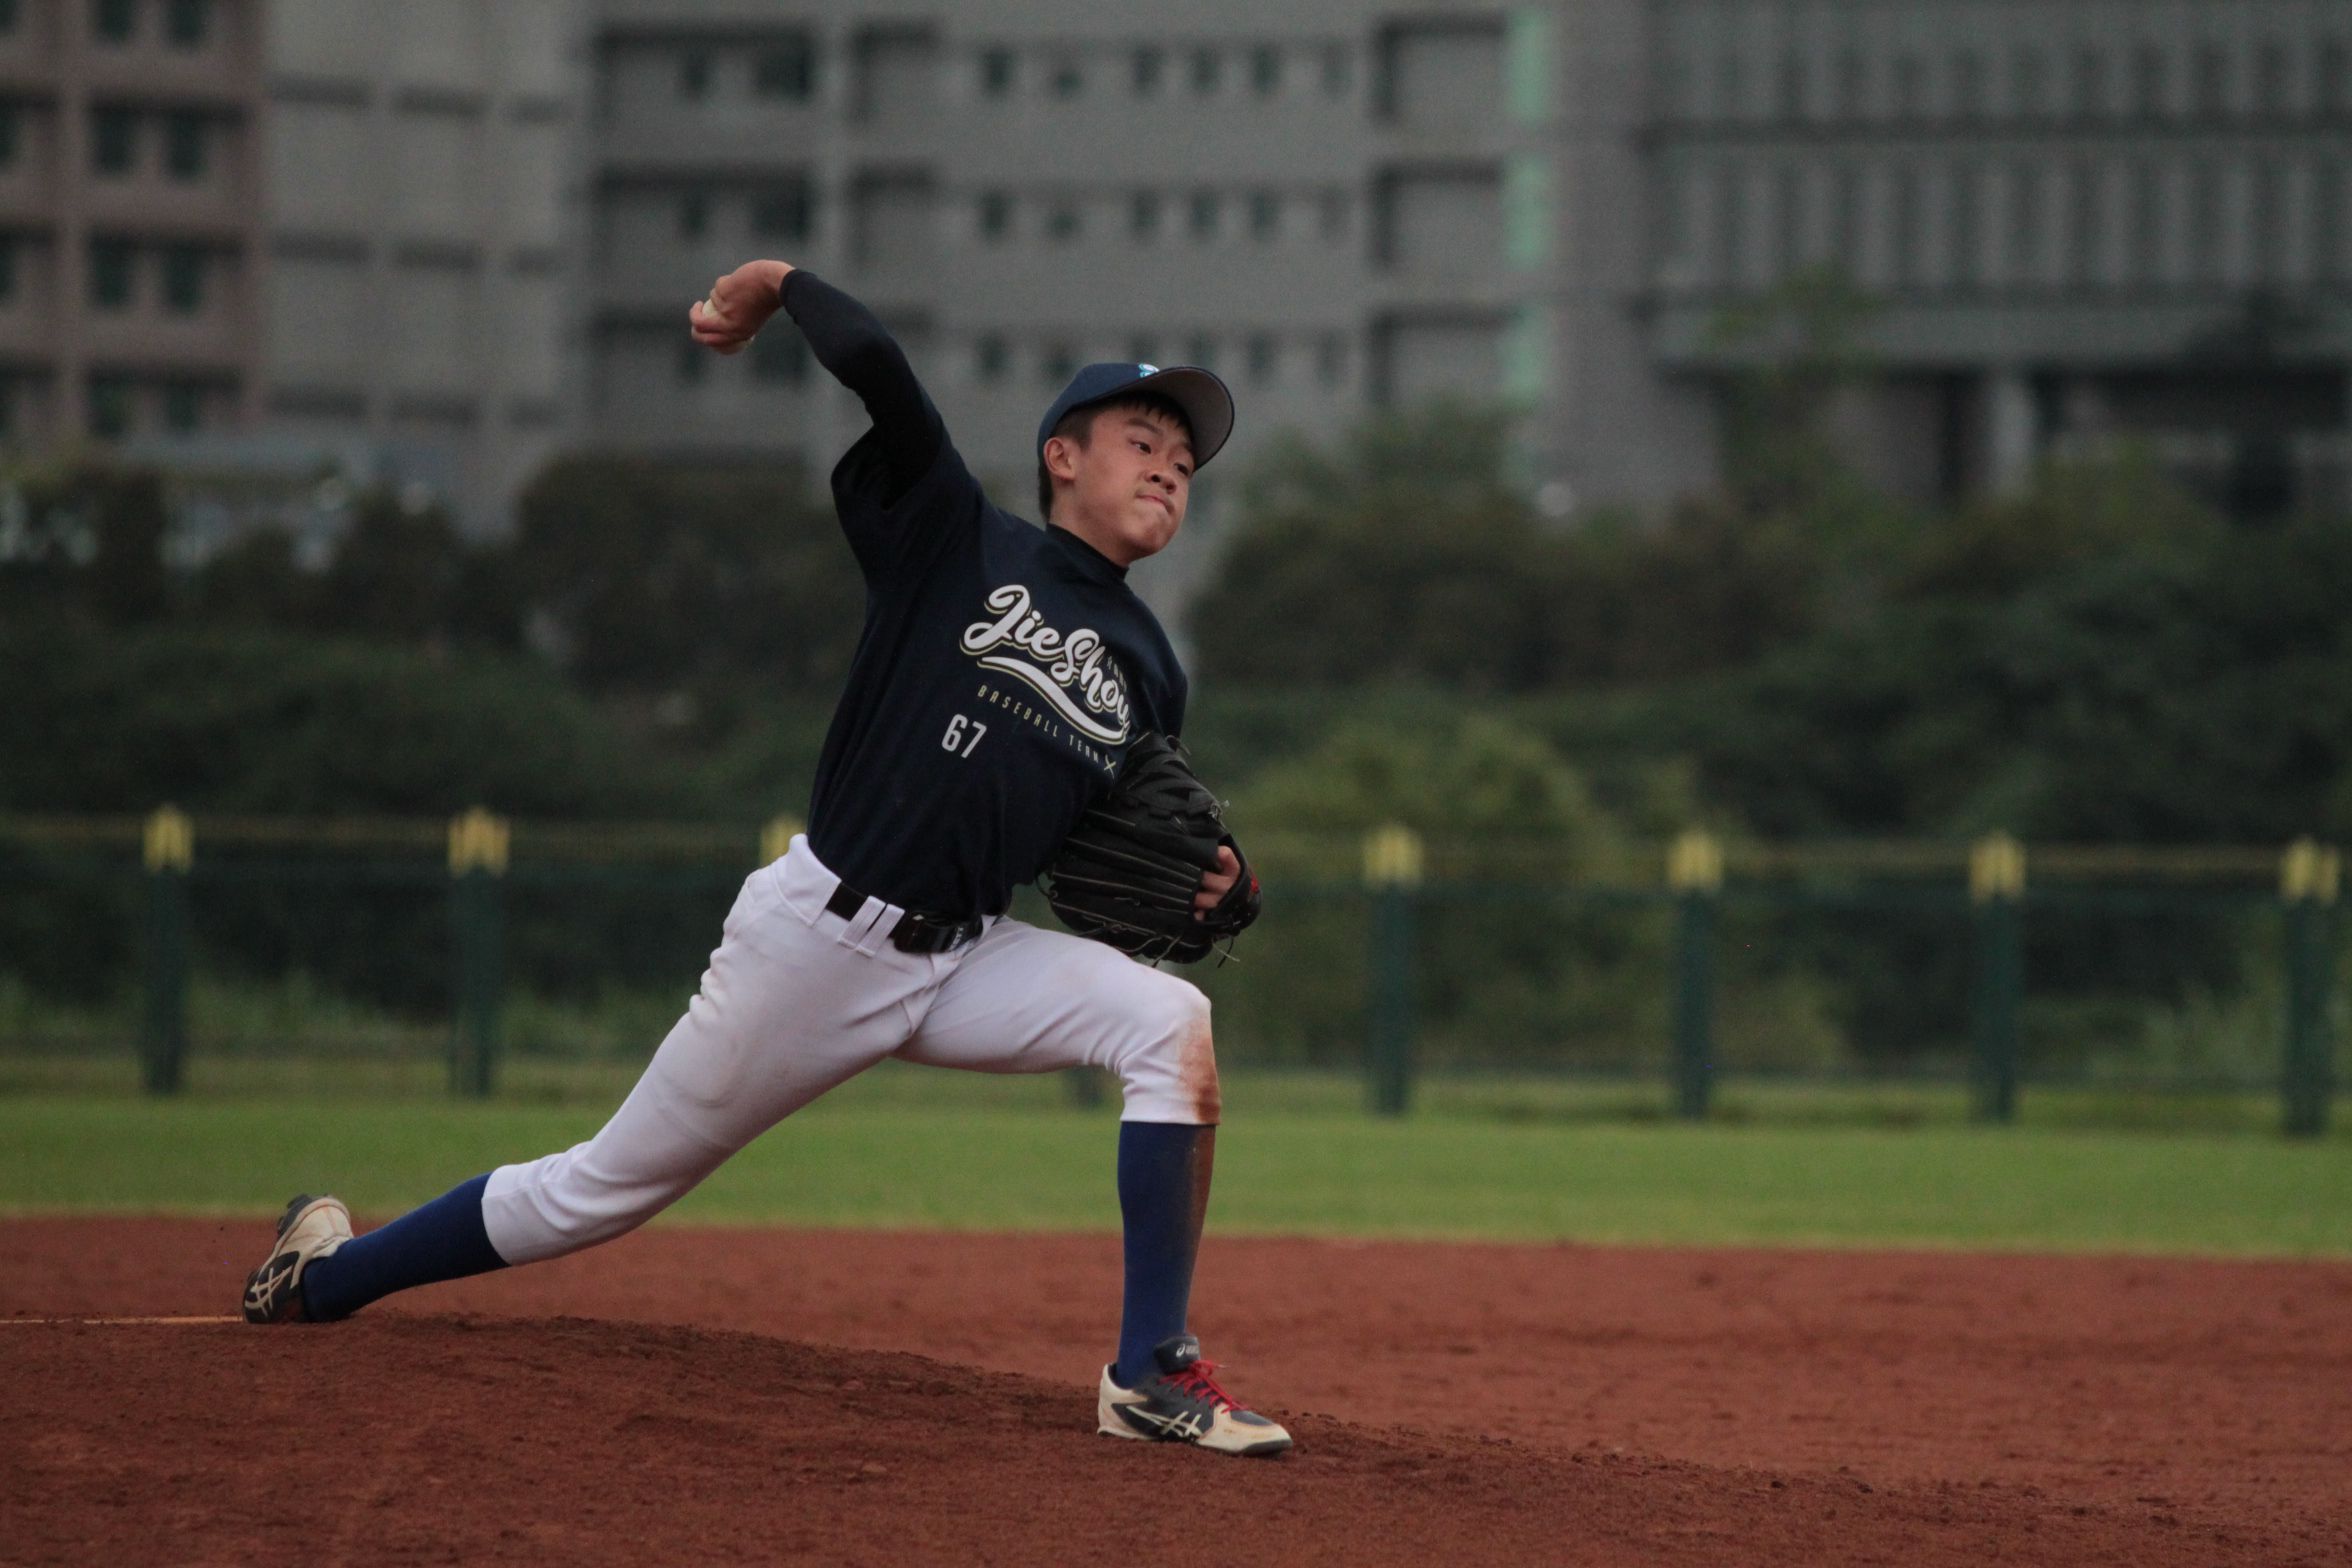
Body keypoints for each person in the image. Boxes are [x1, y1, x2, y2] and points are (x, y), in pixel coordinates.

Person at [239, 259, 1292, 1458]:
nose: (1169, 468)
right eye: (1143, 440)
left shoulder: (1148, 663)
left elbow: (1104, 846)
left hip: (965, 956)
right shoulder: (956, 538)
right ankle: (323, 1275)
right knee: (597, 1190)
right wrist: (779, 284)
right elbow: (884, 375)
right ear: (1062, 454)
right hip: (818, 942)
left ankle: (1148, 1371)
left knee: (1170, 1021)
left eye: (1185, 461)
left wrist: (1220, 881)